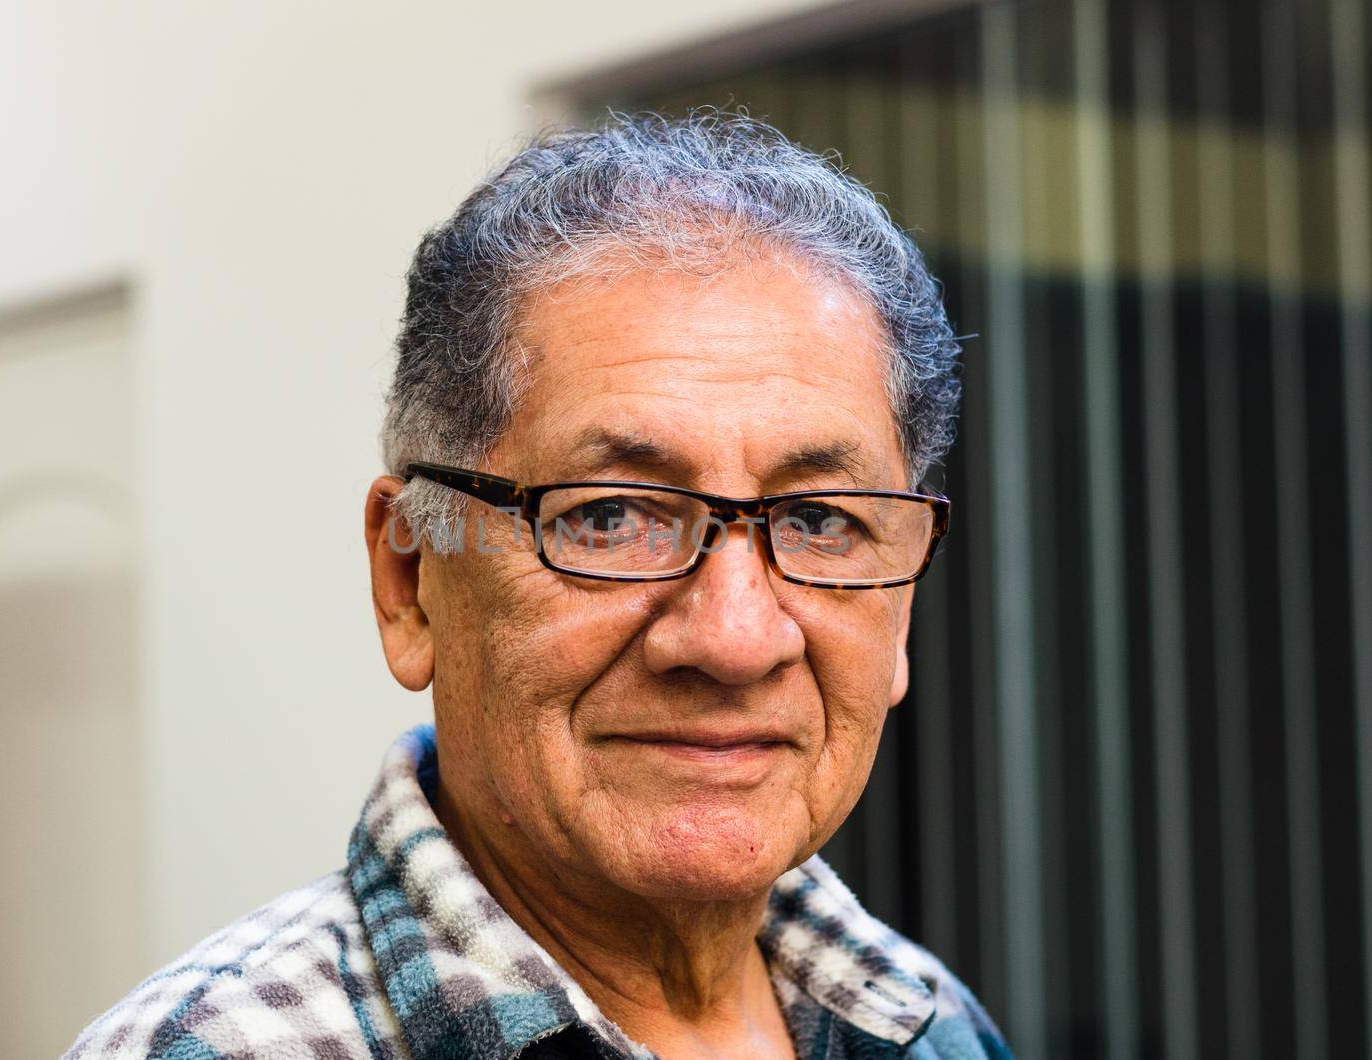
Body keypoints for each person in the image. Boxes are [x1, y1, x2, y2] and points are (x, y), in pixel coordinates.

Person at [65, 111, 1010, 1060]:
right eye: (609, 516)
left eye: (818, 522)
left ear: (901, 616)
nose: (733, 638)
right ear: (409, 582)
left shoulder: (930, 1023)